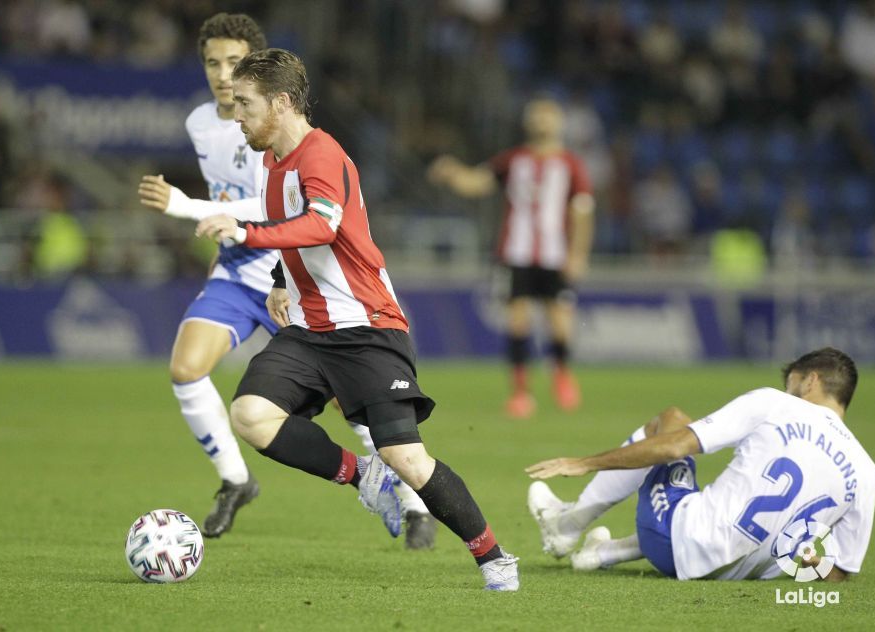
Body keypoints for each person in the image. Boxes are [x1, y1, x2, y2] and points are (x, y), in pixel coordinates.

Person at [194, 48, 519, 590]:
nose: (238, 116)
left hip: (367, 328)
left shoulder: (322, 155)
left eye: (246, 103)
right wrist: (279, 280)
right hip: (309, 332)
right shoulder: (272, 163)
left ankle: (495, 558)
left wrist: (245, 232)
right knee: (250, 415)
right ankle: (364, 475)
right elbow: (297, 232)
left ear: (281, 102)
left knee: (407, 458)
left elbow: (321, 226)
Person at [137, 14, 436, 549]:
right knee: (185, 367)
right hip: (237, 270)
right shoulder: (201, 123)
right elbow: (235, 199)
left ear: (252, 69)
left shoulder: (271, 128)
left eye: (233, 63)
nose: (222, 74)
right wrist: (219, 228)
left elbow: (274, 206)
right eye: (212, 62)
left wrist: (188, 207)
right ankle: (236, 480)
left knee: (352, 400)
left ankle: (414, 502)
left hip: (292, 275)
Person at [525, 347, 875, 581]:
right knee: (716, 502)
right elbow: (838, 572)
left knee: (673, 419)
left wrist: (585, 463)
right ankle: (606, 552)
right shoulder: (865, 471)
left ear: (811, 380)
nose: (787, 393)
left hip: (674, 543)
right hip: (743, 575)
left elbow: (675, 446)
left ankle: (566, 526)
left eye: (791, 385)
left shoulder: (774, 403)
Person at [428, 97, 596, 419]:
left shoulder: (570, 165)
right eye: (536, 115)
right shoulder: (513, 160)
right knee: (518, 321)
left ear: (558, 122)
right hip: (515, 253)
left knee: (560, 322)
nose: (541, 121)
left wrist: (578, 254)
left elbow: (583, 212)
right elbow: (478, 183)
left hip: (555, 255)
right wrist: (453, 173)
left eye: (547, 115)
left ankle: (561, 374)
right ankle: (520, 392)